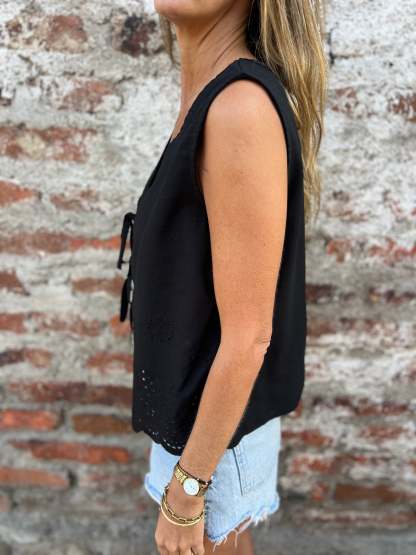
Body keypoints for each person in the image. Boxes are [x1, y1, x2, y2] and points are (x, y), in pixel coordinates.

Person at [116, 1, 328, 553]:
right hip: (201, 416)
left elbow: (249, 336)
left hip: (214, 439)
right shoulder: (213, 93)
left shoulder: (239, 108)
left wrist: (187, 491)